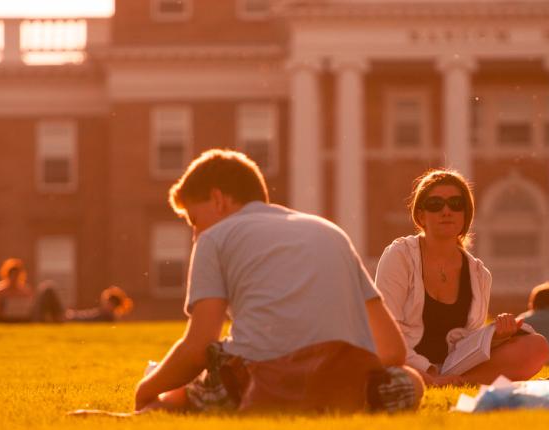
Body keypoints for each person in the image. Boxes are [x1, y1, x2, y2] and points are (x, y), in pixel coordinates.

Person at [133, 149, 424, 414]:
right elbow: (393, 350)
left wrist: (145, 389)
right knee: (411, 380)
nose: (195, 235)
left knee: (194, 376)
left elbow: (198, 347)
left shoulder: (214, 239)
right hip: (343, 387)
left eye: (194, 221)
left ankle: (166, 402)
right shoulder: (330, 232)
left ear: (218, 199)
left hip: (258, 385)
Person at [375, 169, 549, 386]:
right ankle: (433, 381)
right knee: (384, 354)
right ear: (421, 215)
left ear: (466, 215)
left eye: (456, 204)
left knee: (536, 346)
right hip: (403, 361)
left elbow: (467, 342)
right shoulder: (399, 256)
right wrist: (427, 373)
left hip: (453, 366)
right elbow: (385, 331)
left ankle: (457, 382)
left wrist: (497, 337)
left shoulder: (479, 274)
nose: (446, 211)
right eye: (435, 204)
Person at [33, 283, 134, 323]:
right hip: (69, 316)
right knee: (48, 290)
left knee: (49, 290)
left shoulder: (106, 316)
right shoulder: (105, 315)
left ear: (111, 304)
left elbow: (87, 319)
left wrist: (70, 317)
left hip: (68, 319)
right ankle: (36, 318)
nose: (103, 303)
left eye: (106, 301)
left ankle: (35, 319)